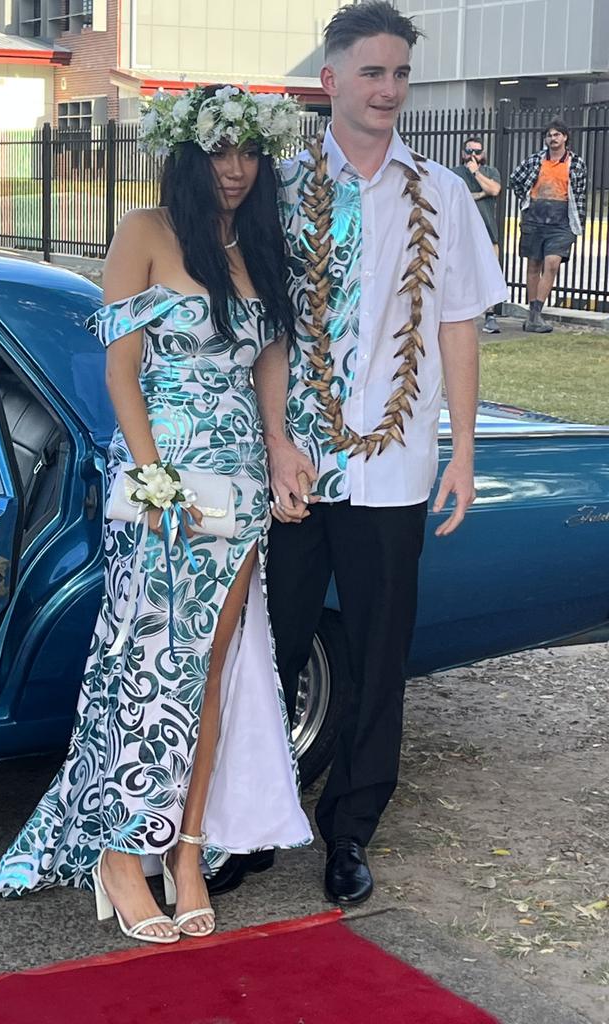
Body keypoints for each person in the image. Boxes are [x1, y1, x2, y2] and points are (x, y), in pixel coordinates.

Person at [0, 84, 312, 943]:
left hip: (237, 483)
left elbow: (270, 364)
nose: (235, 168)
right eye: (220, 150)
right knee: (143, 666)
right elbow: (122, 375)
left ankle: (187, 849)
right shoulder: (144, 232)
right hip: (159, 479)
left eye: (249, 152)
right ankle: (121, 854)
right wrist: (153, 481)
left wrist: (280, 447)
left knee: (212, 670)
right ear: (189, 154)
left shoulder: (262, 244)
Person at [222, 1, 507, 908]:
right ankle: (252, 825)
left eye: (400, 75)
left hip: (393, 466)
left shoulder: (443, 193)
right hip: (297, 464)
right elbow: (263, 324)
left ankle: (349, 831)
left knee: (381, 653)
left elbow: (458, 323)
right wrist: (275, 444)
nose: (388, 90)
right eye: (372, 72)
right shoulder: (275, 185)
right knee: (271, 648)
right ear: (330, 80)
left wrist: (461, 453)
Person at [510, 119, 587, 333]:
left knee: (552, 264)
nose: (552, 139)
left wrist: (577, 224)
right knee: (533, 265)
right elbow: (515, 178)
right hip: (534, 218)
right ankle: (532, 316)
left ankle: (537, 312)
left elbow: (580, 194)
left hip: (561, 220)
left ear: (565, 137)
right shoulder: (535, 160)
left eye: (556, 135)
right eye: (549, 135)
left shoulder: (576, 163)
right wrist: (525, 198)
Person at [452, 136, 503, 334]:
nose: (473, 155)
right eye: (469, 151)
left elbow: (495, 189)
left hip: (488, 232)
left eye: (477, 151)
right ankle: (461, 316)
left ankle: (490, 316)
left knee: (489, 274)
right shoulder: (454, 173)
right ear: (462, 153)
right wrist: (481, 194)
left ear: (483, 154)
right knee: (460, 275)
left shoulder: (491, 172)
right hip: (463, 233)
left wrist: (475, 173)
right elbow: (457, 196)